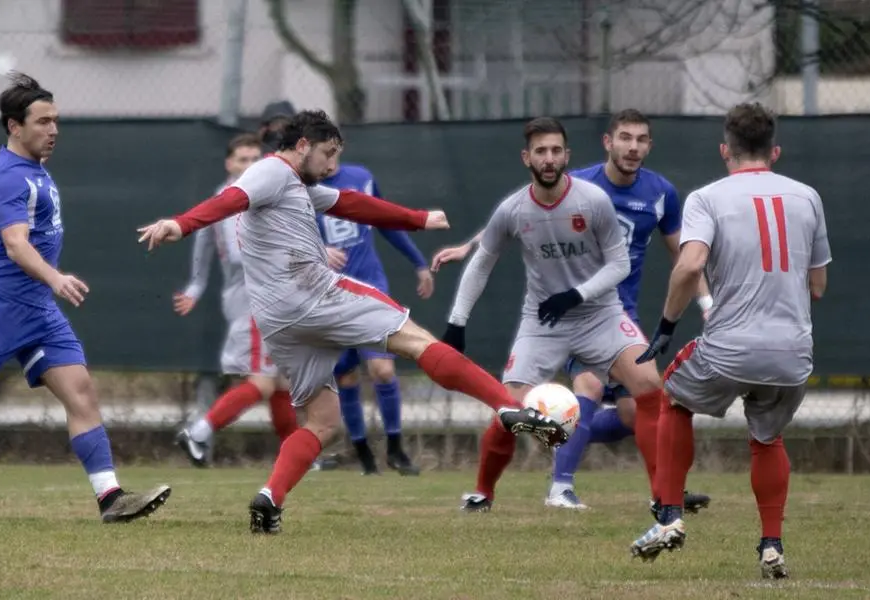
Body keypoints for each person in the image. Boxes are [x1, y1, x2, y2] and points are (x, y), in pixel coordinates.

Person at [136, 110, 565, 534]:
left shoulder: (295, 186)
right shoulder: (270, 172)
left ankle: (270, 496)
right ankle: (508, 406)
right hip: (314, 294)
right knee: (416, 340)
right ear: (302, 146)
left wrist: (416, 219)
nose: (332, 165)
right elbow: (231, 200)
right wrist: (180, 223)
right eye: (327, 153)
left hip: (279, 323)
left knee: (323, 423)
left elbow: (351, 204)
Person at [432, 110, 710, 514]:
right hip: (542, 323)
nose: (549, 158)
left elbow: (620, 265)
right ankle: (482, 492)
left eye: (556, 150)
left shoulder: (593, 199)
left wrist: (575, 295)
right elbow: (483, 261)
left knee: (649, 388)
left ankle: (662, 496)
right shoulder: (513, 210)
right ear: (526, 158)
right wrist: (456, 323)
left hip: (601, 315)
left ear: (567, 156)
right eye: (540, 151)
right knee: (508, 408)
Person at [629, 103, 830, 579]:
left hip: (730, 346)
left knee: (673, 398)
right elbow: (818, 287)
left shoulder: (707, 198)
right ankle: (771, 545)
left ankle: (669, 515)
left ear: (726, 150)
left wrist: (666, 324)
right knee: (767, 437)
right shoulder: (808, 197)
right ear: (774, 152)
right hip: (794, 353)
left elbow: (691, 264)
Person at [0, 72, 170, 522]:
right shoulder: (11, 176)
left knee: (81, 391)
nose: (53, 130)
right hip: (2, 306)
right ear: (14, 126)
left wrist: (47, 287)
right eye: (42, 122)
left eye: (56, 121)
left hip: (38, 311)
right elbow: (15, 244)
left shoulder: (36, 170)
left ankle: (110, 498)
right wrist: (55, 278)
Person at [173, 133, 298, 466]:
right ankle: (199, 431)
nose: (249, 165)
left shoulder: (257, 195)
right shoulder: (234, 199)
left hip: (272, 295)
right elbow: (243, 254)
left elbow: (202, 240)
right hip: (254, 298)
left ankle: (296, 456)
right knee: (262, 381)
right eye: (242, 159)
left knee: (282, 380)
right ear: (229, 163)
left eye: (255, 159)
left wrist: (196, 286)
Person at [318, 163, 433, 476]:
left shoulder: (362, 178)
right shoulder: (299, 188)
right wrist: (319, 250)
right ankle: (364, 457)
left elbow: (385, 221)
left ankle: (395, 449)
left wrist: (419, 263)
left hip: (370, 289)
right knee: (346, 376)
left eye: (332, 147)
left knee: (382, 369)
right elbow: (284, 239)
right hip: (329, 295)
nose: (327, 157)